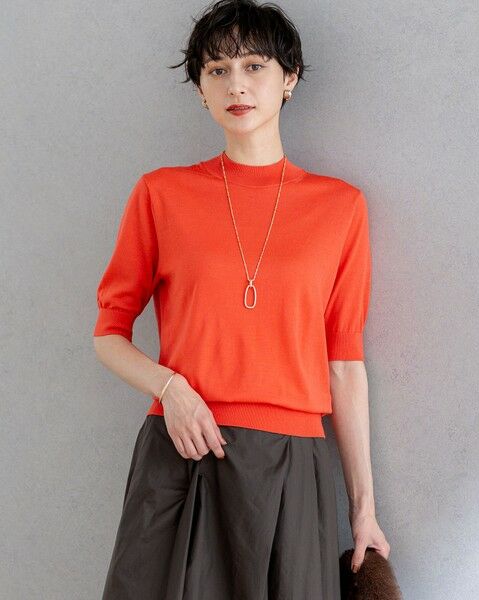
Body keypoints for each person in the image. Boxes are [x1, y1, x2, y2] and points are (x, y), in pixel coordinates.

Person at [93, 1, 390, 598]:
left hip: (292, 463)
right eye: (217, 70)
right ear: (200, 89)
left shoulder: (339, 207)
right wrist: (171, 390)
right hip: (183, 451)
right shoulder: (161, 194)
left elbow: (344, 364)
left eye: (254, 66)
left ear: (289, 79)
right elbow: (108, 333)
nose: (236, 85)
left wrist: (363, 511)